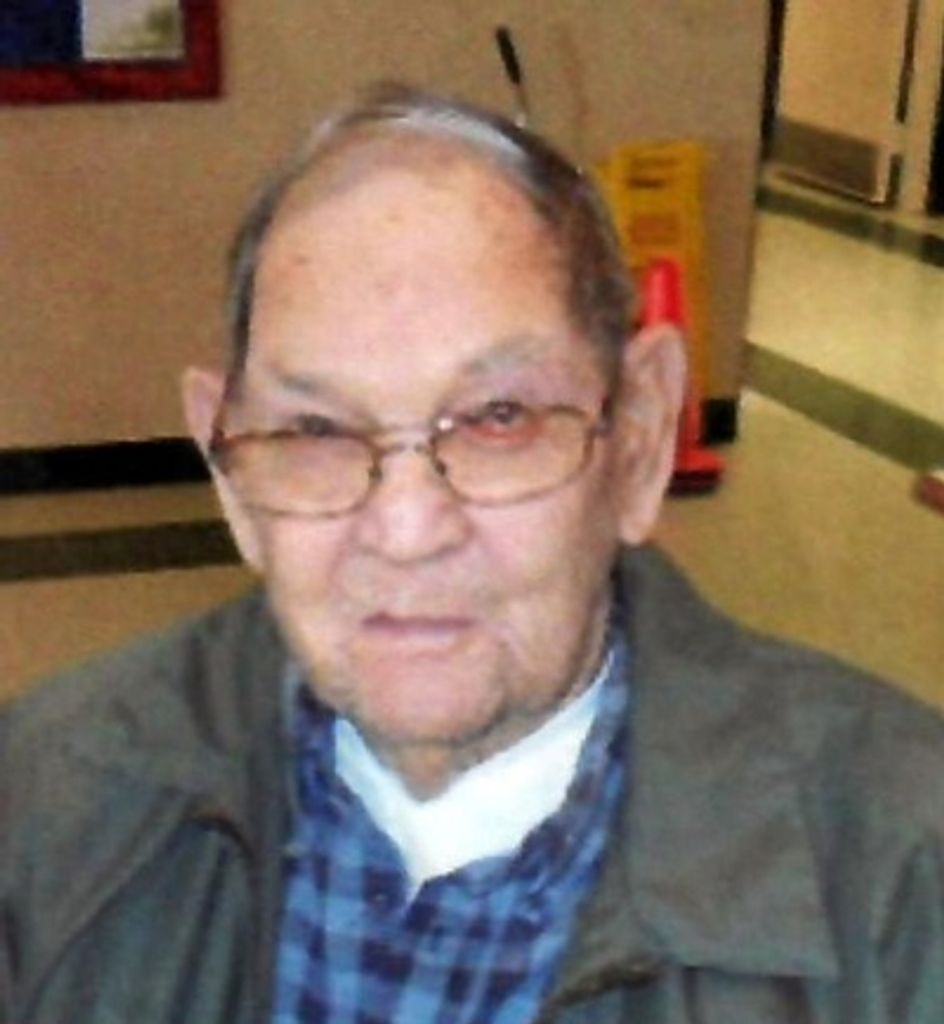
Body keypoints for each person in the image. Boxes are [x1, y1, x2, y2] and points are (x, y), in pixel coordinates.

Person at [2, 84, 943, 1024]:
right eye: (316, 429)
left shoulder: (904, 877)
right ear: (228, 469)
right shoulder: (42, 802)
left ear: (642, 438)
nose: (406, 532)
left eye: (500, 418)